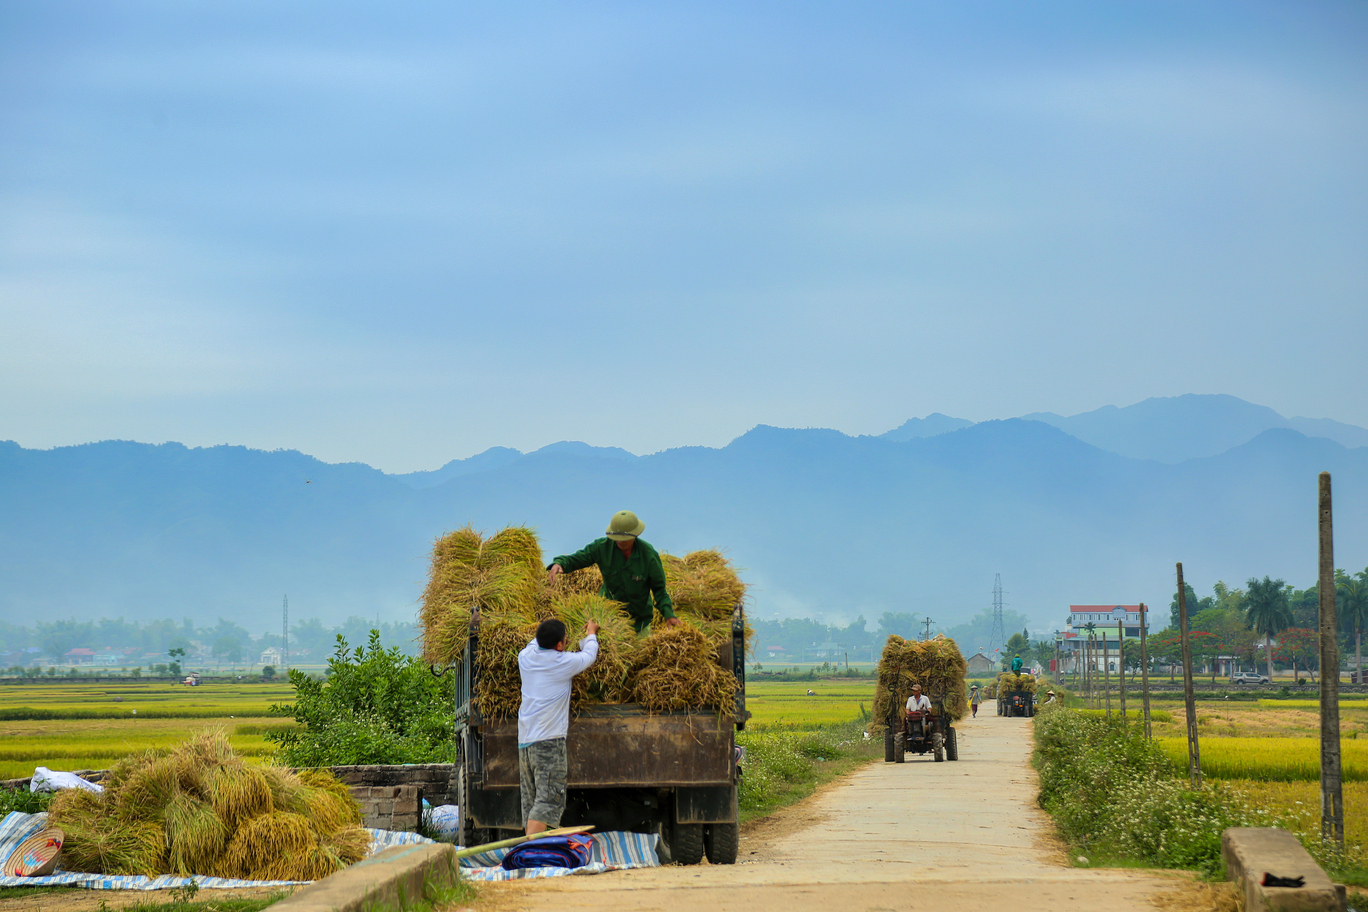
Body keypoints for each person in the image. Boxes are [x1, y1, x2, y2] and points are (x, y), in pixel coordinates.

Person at [517, 617, 600, 835]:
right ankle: (533, 850)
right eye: (564, 638)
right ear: (560, 645)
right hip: (548, 742)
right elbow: (589, 655)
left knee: (532, 800)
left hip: (525, 742)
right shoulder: (562, 663)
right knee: (547, 800)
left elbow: (536, 642)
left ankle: (532, 847)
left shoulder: (525, 656)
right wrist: (591, 633)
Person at [547, 510, 682, 634]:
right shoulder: (601, 547)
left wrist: (668, 614)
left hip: (639, 621)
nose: (619, 541)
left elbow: (659, 590)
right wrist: (559, 563)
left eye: (624, 538)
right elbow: (578, 558)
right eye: (616, 537)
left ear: (635, 535)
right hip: (607, 617)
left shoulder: (648, 555)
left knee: (639, 650)